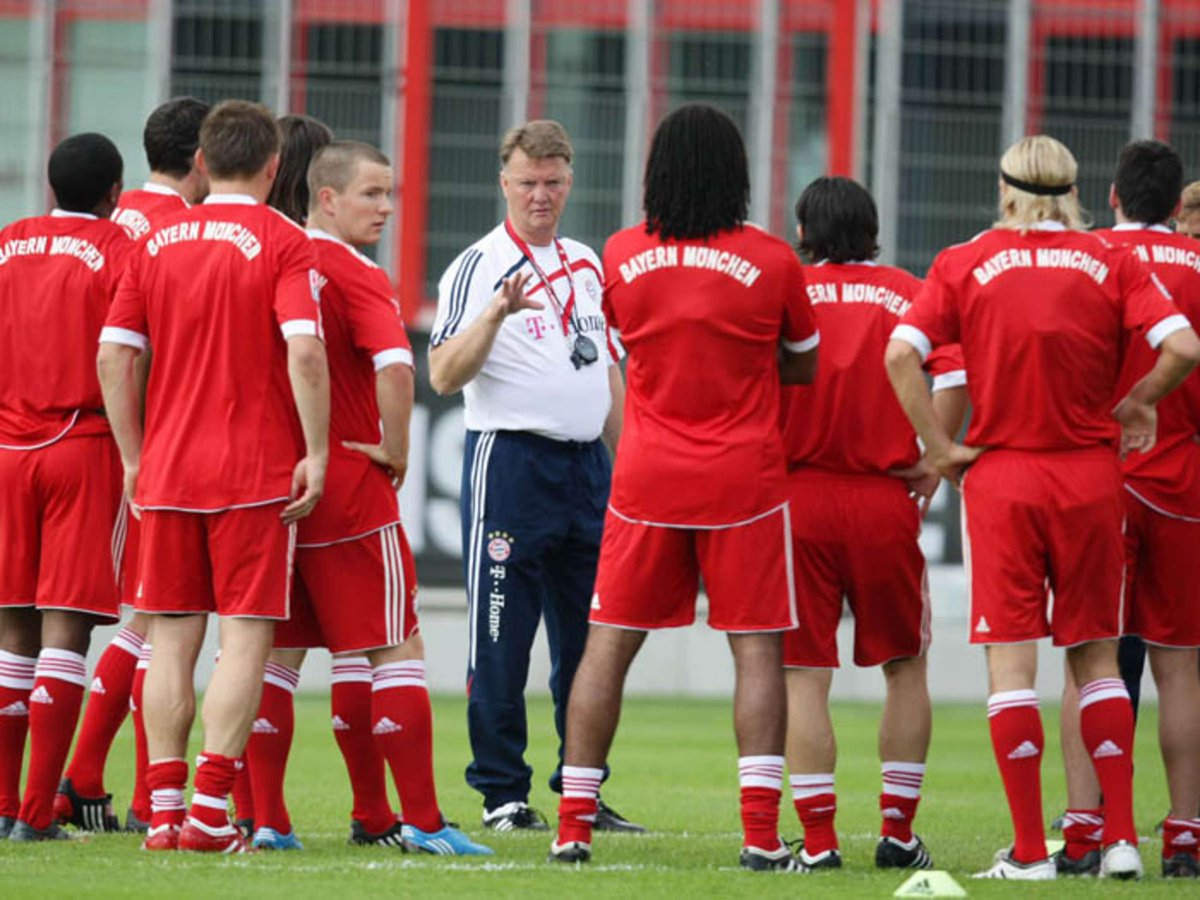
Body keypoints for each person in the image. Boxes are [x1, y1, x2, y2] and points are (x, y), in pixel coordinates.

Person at [885, 134, 1200, 881]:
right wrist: (1136, 404)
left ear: (1005, 191)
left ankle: (1032, 851)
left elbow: (901, 352)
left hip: (1006, 478)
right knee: (1097, 659)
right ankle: (1122, 839)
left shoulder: (965, 261)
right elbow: (1183, 346)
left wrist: (937, 446)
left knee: (1012, 668)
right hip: (1093, 478)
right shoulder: (1109, 259)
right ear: (1074, 192)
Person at [550, 103, 819, 871]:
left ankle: (573, 825)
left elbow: (622, 344)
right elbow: (803, 363)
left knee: (608, 643)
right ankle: (762, 839)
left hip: (647, 474)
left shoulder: (622, 251)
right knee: (758, 650)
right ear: (737, 174)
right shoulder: (772, 261)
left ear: (655, 172)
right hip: (745, 478)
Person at [97, 99, 330, 854]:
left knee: (168, 643)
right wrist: (319, 451)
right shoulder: (282, 240)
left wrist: (135, 457)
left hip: (165, 472)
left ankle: (163, 813)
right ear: (273, 167)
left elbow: (114, 356)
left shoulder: (155, 241)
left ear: (201, 162)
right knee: (245, 641)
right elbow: (303, 348)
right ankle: (208, 813)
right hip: (252, 473)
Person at [249, 140, 492, 856]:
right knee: (392, 647)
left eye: (389, 194)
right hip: (350, 482)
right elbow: (395, 367)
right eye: (372, 195)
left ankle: (268, 819)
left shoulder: (274, 260)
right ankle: (419, 818)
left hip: (277, 484)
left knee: (278, 654)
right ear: (326, 199)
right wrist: (398, 448)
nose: (386, 208)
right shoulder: (356, 273)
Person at [429, 119, 639, 834]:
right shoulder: (477, 264)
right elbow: (442, 373)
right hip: (511, 464)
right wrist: (494, 314)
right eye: (527, 183)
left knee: (589, 640)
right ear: (504, 183)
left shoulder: (586, 262)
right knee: (501, 635)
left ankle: (582, 789)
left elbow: (606, 369)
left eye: (552, 182)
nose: (541, 195)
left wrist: (632, 462)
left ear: (570, 179)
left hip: (588, 468)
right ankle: (502, 793)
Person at [780, 176, 966, 872]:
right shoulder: (908, 290)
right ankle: (897, 834)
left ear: (804, 233)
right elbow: (955, 379)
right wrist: (933, 457)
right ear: (872, 227)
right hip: (885, 497)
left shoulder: (788, 290)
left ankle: (821, 844)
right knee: (906, 665)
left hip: (799, 499)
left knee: (803, 674)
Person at [55, 95, 210, 836]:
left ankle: (94, 779)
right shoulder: (187, 231)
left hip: (99, 436)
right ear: (204, 158)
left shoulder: (114, 224)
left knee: (149, 612)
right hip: (156, 447)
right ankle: (133, 789)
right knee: (163, 615)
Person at [1055, 140, 1200, 879]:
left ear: (1110, 195)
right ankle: (1185, 838)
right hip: (1184, 486)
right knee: (1180, 669)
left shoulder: (1086, 259)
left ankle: (1091, 834)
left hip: (1099, 479)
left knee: (1089, 663)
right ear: (1180, 205)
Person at [0, 133, 132, 842]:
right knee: (65, 625)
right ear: (115, 193)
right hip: (81, 446)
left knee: (11, 625)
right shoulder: (120, 254)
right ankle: (33, 815)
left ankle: (1, 805)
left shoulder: (6, 242)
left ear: (51, 185)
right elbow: (130, 357)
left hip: (5, 450)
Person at [233, 111, 332, 840]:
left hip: (190, 465)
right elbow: (315, 357)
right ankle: (266, 815)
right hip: (289, 467)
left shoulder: (218, 246)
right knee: (281, 646)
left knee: (167, 636)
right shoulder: (300, 253)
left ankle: (188, 803)